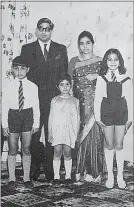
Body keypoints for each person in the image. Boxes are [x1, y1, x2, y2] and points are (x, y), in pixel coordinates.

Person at [20, 18, 68, 181]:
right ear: (37, 30)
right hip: (33, 100)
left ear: (51, 31)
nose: (44, 31)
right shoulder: (27, 49)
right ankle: (33, 168)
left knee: (51, 134)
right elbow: (23, 75)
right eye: (41, 28)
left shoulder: (60, 49)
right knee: (33, 134)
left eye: (47, 29)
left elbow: (64, 76)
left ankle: (49, 169)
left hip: (53, 100)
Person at [68, 31, 104, 182]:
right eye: (82, 43)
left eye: (88, 43)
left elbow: (110, 80)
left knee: (95, 135)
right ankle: (81, 170)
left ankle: (95, 171)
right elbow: (69, 84)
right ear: (78, 45)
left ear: (93, 43)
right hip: (79, 105)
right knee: (81, 135)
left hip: (96, 104)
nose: (85, 46)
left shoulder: (101, 61)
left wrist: (99, 76)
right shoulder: (73, 62)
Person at [94, 48, 133, 189]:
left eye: (116, 59)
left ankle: (120, 177)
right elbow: (97, 99)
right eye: (109, 59)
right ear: (105, 61)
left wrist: (130, 119)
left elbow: (130, 99)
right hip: (106, 112)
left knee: (119, 144)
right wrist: (98, 118)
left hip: (121, 112)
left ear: (120, 61)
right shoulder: (101, 78)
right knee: (109, 145)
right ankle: (110, 177)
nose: (113, 62)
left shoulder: (126, 78)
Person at [2, 56, 40, 190]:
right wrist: (4, 124)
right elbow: (4, 106)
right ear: (12, 69)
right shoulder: (8, 86)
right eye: (16, 68)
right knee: (12, 148)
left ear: (27, 70)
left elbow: (36, 105)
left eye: (23, 68)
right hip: (13, 116)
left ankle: (26, 177)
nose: (19, 71)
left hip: (27, 116)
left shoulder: (33, 87)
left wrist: (36, 123)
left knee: (26, 148)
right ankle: (11, 177)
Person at [48, 73, 80, 184]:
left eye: (67, 84)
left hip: (69, 130)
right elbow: (51, 117)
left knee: (67, 152)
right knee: (57, 151)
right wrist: (50, 132)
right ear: (58, 86)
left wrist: (76, 133)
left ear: (71, 85)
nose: (65, 87)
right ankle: (56, 176)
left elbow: (77, 118)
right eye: (62, 84)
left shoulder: (75, 100)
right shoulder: (54, 100)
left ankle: (67, 176)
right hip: (57, 130)